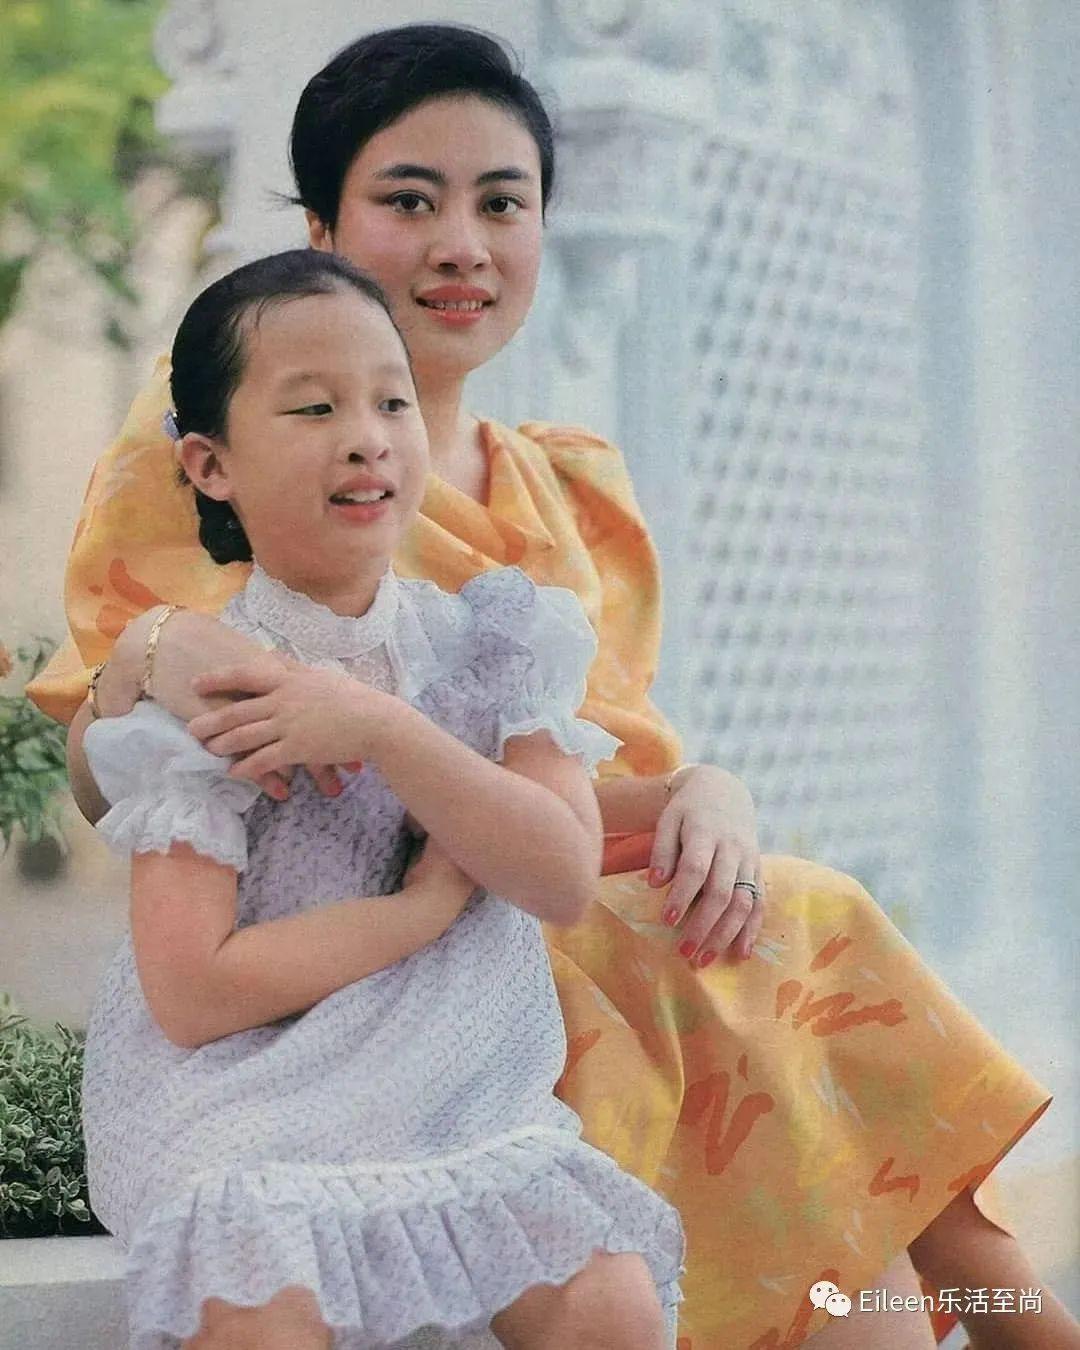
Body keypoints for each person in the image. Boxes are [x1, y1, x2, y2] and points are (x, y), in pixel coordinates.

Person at [31, 23, 1078, 1350]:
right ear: (322, 227)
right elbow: (115, 776)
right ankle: (999, 1319)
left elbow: (572, 782)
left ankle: (996, 1309)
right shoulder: (216, 438)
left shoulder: (565, 480)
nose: (462, 244)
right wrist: (150, 652)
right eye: (411, 200)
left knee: (798, 915)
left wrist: (703, 788)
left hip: (542, 874)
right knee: (770, 962)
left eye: (502, 203)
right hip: (395, 956)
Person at [80, 247, 686, 1350]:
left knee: (608, 1304)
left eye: (391, 401)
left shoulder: (497, 641)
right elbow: (193, 994)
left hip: (464, 1089)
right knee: (259, 1306)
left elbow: (559, 875)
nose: (366, 437)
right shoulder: (210, 688)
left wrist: (384, 729)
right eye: (314, 408)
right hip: (243, 1099)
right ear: (211, 465)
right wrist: (419, 912)